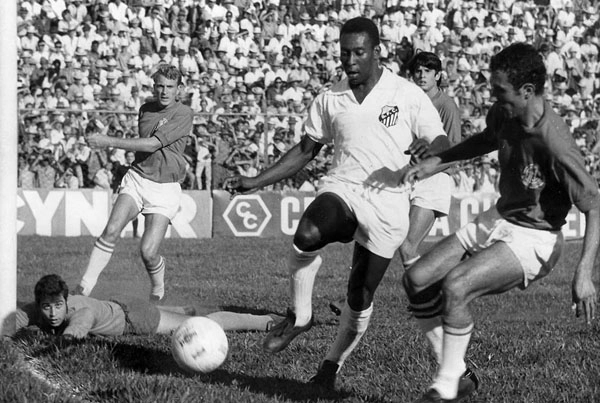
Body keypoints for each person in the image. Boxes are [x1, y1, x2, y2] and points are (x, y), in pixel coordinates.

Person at [224, 17, 446, 389]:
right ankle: (300, 315)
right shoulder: (330, 98)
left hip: (389, 207)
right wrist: (255, 181)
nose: (351, 60)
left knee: (358, 297)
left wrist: (428, 150)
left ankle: (329, 368)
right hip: (344, 189)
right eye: (345, 53)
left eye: (359, 52)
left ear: (377, 52)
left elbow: (439, 140)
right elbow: (306, 151)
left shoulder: (406, 94)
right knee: (307, 234)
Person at [401, 43, 600, 403]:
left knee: (457, 286)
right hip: (500, 217)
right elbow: (486, 140)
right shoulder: (505, 114)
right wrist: (439, 160)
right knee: (416, 279)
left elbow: (595, 205)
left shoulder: (555, 142)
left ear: (526, 92)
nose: (491, 96)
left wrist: (584, 273)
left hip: (537, 238)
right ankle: (459, 376)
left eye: (499, 91)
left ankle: (444, 389)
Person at [329, 50, 459, 316]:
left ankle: (428, 299)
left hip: (433, 179)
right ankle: (355, 300)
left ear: (438, 76)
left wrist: (426, 167)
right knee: (372, 236)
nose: (421, 75)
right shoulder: (404, 100)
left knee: (406, 243)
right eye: (417, 70)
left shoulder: (446, 106)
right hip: (404, 177)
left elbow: (453, 151)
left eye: (428, 70)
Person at [76, 64, 193, 302]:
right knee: (111, 230)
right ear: (153, 86)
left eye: (170, 87)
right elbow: (146, 147)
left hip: (165, 188)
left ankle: (158, 288)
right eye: (160, 86)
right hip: (138, 178)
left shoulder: (184, 113)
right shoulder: (145, 110)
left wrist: (106, 141)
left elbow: (151, 144)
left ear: (179, 89)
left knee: (148, 252)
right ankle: (83, 288)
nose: (164, 91)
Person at [15, 274, 279, 339]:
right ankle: (188, 308)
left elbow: (76, 330)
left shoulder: (79, 312)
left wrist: (61, 338)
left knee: (204, 325)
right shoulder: (41, 307)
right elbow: (18, 315)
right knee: (181, 313)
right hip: (121, 305)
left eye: (57, 306)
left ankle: (265, 321)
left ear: (66, 300)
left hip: (136, 318)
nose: (52, 314)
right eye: (47, 307)